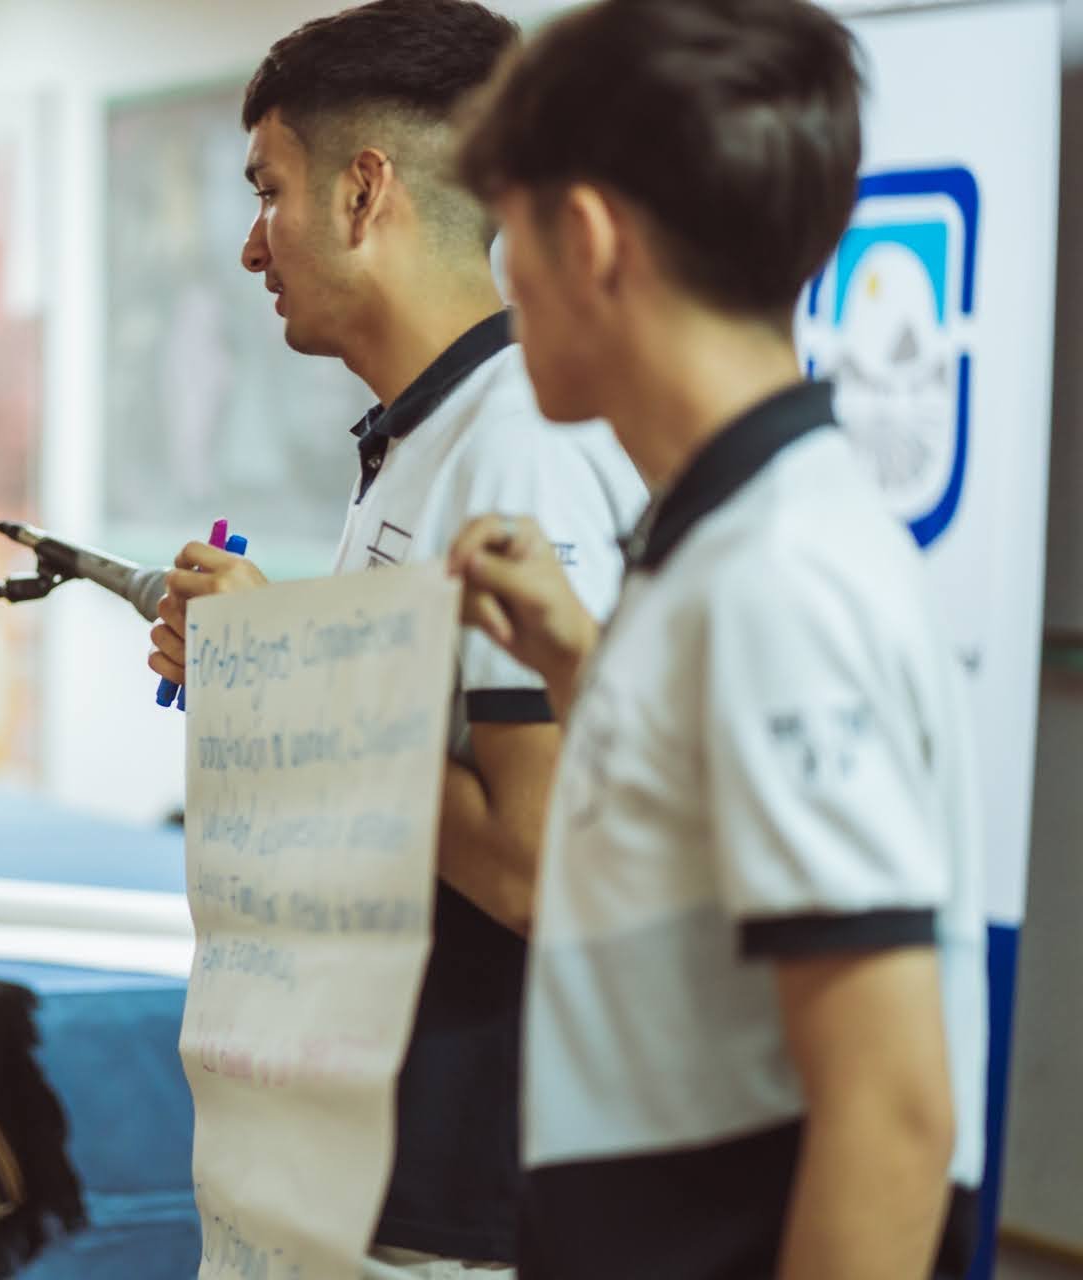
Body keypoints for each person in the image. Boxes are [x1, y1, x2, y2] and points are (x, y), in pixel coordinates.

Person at [444, 2, 986, 1275]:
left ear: (585, 237)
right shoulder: (724, 541)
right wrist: (578, 657)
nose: (501, 277)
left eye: (505, 230)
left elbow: (892, 1113)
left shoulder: (775, 576)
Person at [145, 2, 646, 1273]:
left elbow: (536, 863)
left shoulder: (520, 438)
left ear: (363, 192)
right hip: (353, 1143)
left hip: (458, 1186)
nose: (253, 246)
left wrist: (287, 672)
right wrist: (261, 665)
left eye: (268, 193)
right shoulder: (425, 432)